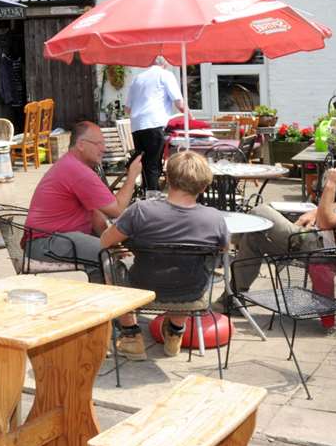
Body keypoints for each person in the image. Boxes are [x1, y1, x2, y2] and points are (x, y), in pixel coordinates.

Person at [225, 140, 336, 301]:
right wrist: (316, 211)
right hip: (318, 243)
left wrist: (331, 184)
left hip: (319, 250)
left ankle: (222, 240)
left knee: (260, 210)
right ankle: (232, 299)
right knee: (253, 238)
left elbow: (326, 223)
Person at [100, 151, 230, 359]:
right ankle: (174, 332)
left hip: (141, 289)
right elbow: (223, 251)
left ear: (167, 179)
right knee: (191, 270)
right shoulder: (215, 219)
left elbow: (105, 241)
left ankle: (131, 337)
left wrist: (127, 244)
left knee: (108, 262)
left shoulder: (140, 210)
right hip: (191, 294)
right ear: (204, 186)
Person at [24, 120, 139, 280]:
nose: (103, 148)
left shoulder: (72, 164)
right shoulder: (77, 170)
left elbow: (96, 215)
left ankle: (101, 298)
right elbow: (117, 210)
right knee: (106, 257)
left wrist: (110, 239)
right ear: (81, 145)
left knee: (107, 252)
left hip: (51, 240)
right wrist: (132, 176)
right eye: (98, 144)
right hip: (47, 243)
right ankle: (112, 300)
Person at [124, 56, 189, 194]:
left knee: (145, 163)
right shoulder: (165, 75)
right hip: (154, 123)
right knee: (153, 164)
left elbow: (127, 109)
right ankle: (152, 198)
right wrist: (190, 117)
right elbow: (179, 102)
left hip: (137, 126)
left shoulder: (138, 78)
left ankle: (147, 193)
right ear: (164, 64)